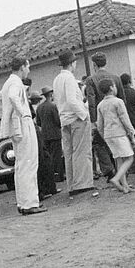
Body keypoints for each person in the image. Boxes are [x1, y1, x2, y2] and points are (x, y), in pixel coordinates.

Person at [0, 57, 43, 215]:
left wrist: (9, 117)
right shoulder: (15, 83)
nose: (28, 70)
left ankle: (23, 202)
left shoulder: (8, 82)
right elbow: (13, 97)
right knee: (29, 163)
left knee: (21, 165)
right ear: (22, 67)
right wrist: (22, 114)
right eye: (27, 67)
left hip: (16, 127)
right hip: (23, 124)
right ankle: (30, 203)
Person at [52, 49, 96, 196]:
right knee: (82, 151)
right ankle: (82, 183)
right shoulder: (69, 78)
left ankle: (72, 184)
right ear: (72, 63)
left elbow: (59, 101)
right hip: (76, 118)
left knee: (69, 153)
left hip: (64, 119)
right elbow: (72, 100)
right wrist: (84, 115)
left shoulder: (57, 79)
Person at [84, 52, 124, 183]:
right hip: (116, 116)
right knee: (117, 143)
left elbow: (91, 102)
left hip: (101, 116)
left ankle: (109, 170)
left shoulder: (91, 80)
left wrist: (93, 121)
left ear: (94, 64)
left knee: (100, 144)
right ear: (106, 63)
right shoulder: (116, 78)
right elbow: (122, 98)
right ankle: (120, 170)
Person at [96, 79, 135, 193]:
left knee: (118, 159)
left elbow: (99, 125)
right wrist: (132, 135)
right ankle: (116, 178)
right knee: (129, 158)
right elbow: (125, 119)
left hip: (108, 135)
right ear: (111, 88)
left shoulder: (100, 105)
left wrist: (104, 136)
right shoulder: (118, 102)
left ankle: (125, 186)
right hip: (119, 133)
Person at [24, 83, 57, 200]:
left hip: (43, 135)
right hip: (44, 134)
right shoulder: (50, 106)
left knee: (45, 158)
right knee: (48, 159)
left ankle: (44, 188)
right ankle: (48, 187)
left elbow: (38, 121)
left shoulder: (39, 108)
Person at [36, 86, 65, 182]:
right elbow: (57, 120)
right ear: (51, 94)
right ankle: (59, 175)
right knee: (57, 156)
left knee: (48, 157)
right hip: (55, 134)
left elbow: (38, 122)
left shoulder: (39, 108)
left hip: (45, 135)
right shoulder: (52, 106)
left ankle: (51, 176)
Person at [120, 73, 135, 171]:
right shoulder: (134, 92)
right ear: (130, 81)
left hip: (122, 122)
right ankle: (134, 166)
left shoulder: (119, 94)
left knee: (124, 145)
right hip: (134, 121)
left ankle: (126, 167)